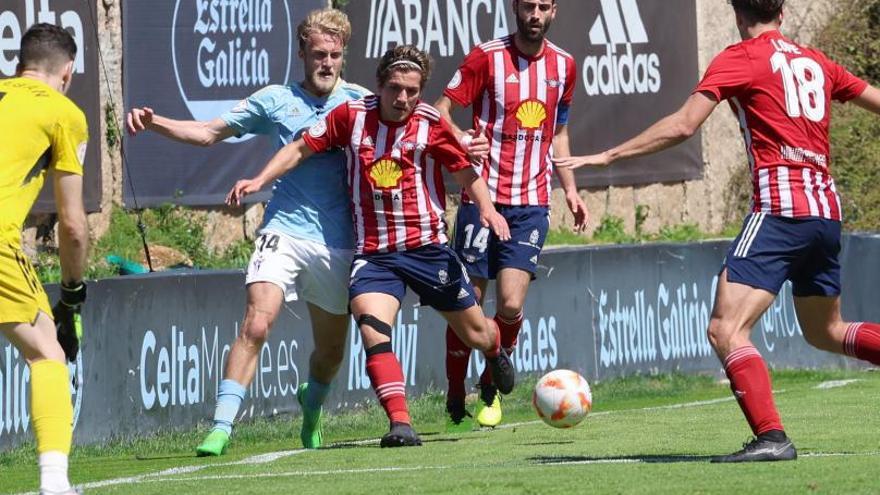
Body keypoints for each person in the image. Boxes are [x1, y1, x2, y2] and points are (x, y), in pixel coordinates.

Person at [554, 0, 880, 463]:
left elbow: (685, 124)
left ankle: (771, 437)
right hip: (826, 211)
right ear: (782, 13)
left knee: (726, 328)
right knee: (827, 331)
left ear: (736, 12)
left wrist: (607, 156)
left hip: (780, 209)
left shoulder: (740, 57)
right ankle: (771, 436)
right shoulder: (815, 60)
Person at [228, 44, 516, 447]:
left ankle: (494, 350)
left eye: (412, 91)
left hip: (426, 249)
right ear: (379, 85)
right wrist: (259, 180)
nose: (403, 99)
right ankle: (400, 423)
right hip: (375, 254)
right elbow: (299, 148)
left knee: (477, 334)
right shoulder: (351, 115)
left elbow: (465, 172)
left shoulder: (430, 123)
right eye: (395, 89)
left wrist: (488, 209)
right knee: (372, 330)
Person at [125, 8, 370, 454]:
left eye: (335, 55)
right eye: (319, 54)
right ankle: (220, 427)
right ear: (302, 52)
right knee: (257, 324)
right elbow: (207, 132)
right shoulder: (275, 100)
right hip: (285, 229)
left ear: (343, 55)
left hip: (338, 241)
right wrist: (154, 122)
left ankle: (312, 405)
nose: (327, 63)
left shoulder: (361, 102)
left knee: (331, 353)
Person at [434, 0, 588, 430]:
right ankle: (452, 392)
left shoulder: (565, 65)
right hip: (480, 199)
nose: (534, 14)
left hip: (532, 203)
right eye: (527, 6)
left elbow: (558, 132)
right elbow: (441, 111)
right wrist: (463, 139)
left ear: (553, 11)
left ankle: (488, 387)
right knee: (468, 303)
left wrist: (571, 189)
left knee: (512, 303)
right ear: (514, 9)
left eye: (543, 7)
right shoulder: (487, 56)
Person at [0, 23, 90, 495]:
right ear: (68, 73)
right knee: (46, 353)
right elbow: (72, 225)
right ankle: (55, 484)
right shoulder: (63, 112)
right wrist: (72, 292)